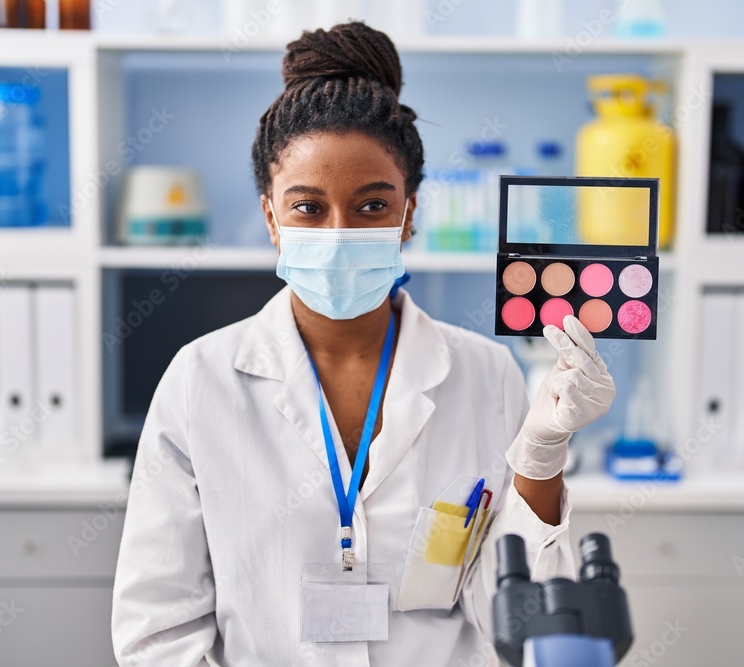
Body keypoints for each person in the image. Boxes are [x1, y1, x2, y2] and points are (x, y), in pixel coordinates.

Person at [111, 21, 615, 667]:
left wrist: (543, 456)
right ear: (271, 216)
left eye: (372, 206)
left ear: (410, 212)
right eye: (309, 207)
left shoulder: (486, 374)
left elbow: (516, 624)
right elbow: (158, 633)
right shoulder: (200, 380)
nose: (340, 230)